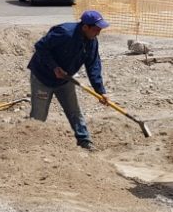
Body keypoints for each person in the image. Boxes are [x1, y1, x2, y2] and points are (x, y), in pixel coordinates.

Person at [27, 10, 111, 150]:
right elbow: (40, 46)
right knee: (39, 115)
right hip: (43, 77)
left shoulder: (91, 42)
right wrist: (54, 67)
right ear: (85, 27)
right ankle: (32, 146)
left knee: (74, 111)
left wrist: (100, 91)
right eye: (96, 29)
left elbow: (93, 66)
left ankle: (84, 141)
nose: (98, 33)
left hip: (65, 80)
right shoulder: (65, 33)